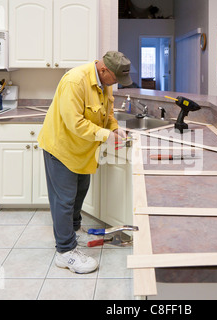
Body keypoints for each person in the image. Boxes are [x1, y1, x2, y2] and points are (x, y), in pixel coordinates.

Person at [38, 51, 132, 274]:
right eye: (116, 79)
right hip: (61, 148)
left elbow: (107, 113)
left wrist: (115, 128)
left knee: (80, 192)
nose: (117, 84)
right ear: (104, 70)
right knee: (64, 200)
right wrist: (105, 136)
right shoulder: (75, 81)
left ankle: (71, 234)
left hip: (82, 150)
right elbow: (74, 122)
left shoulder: (104, 83)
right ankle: (65, 252)